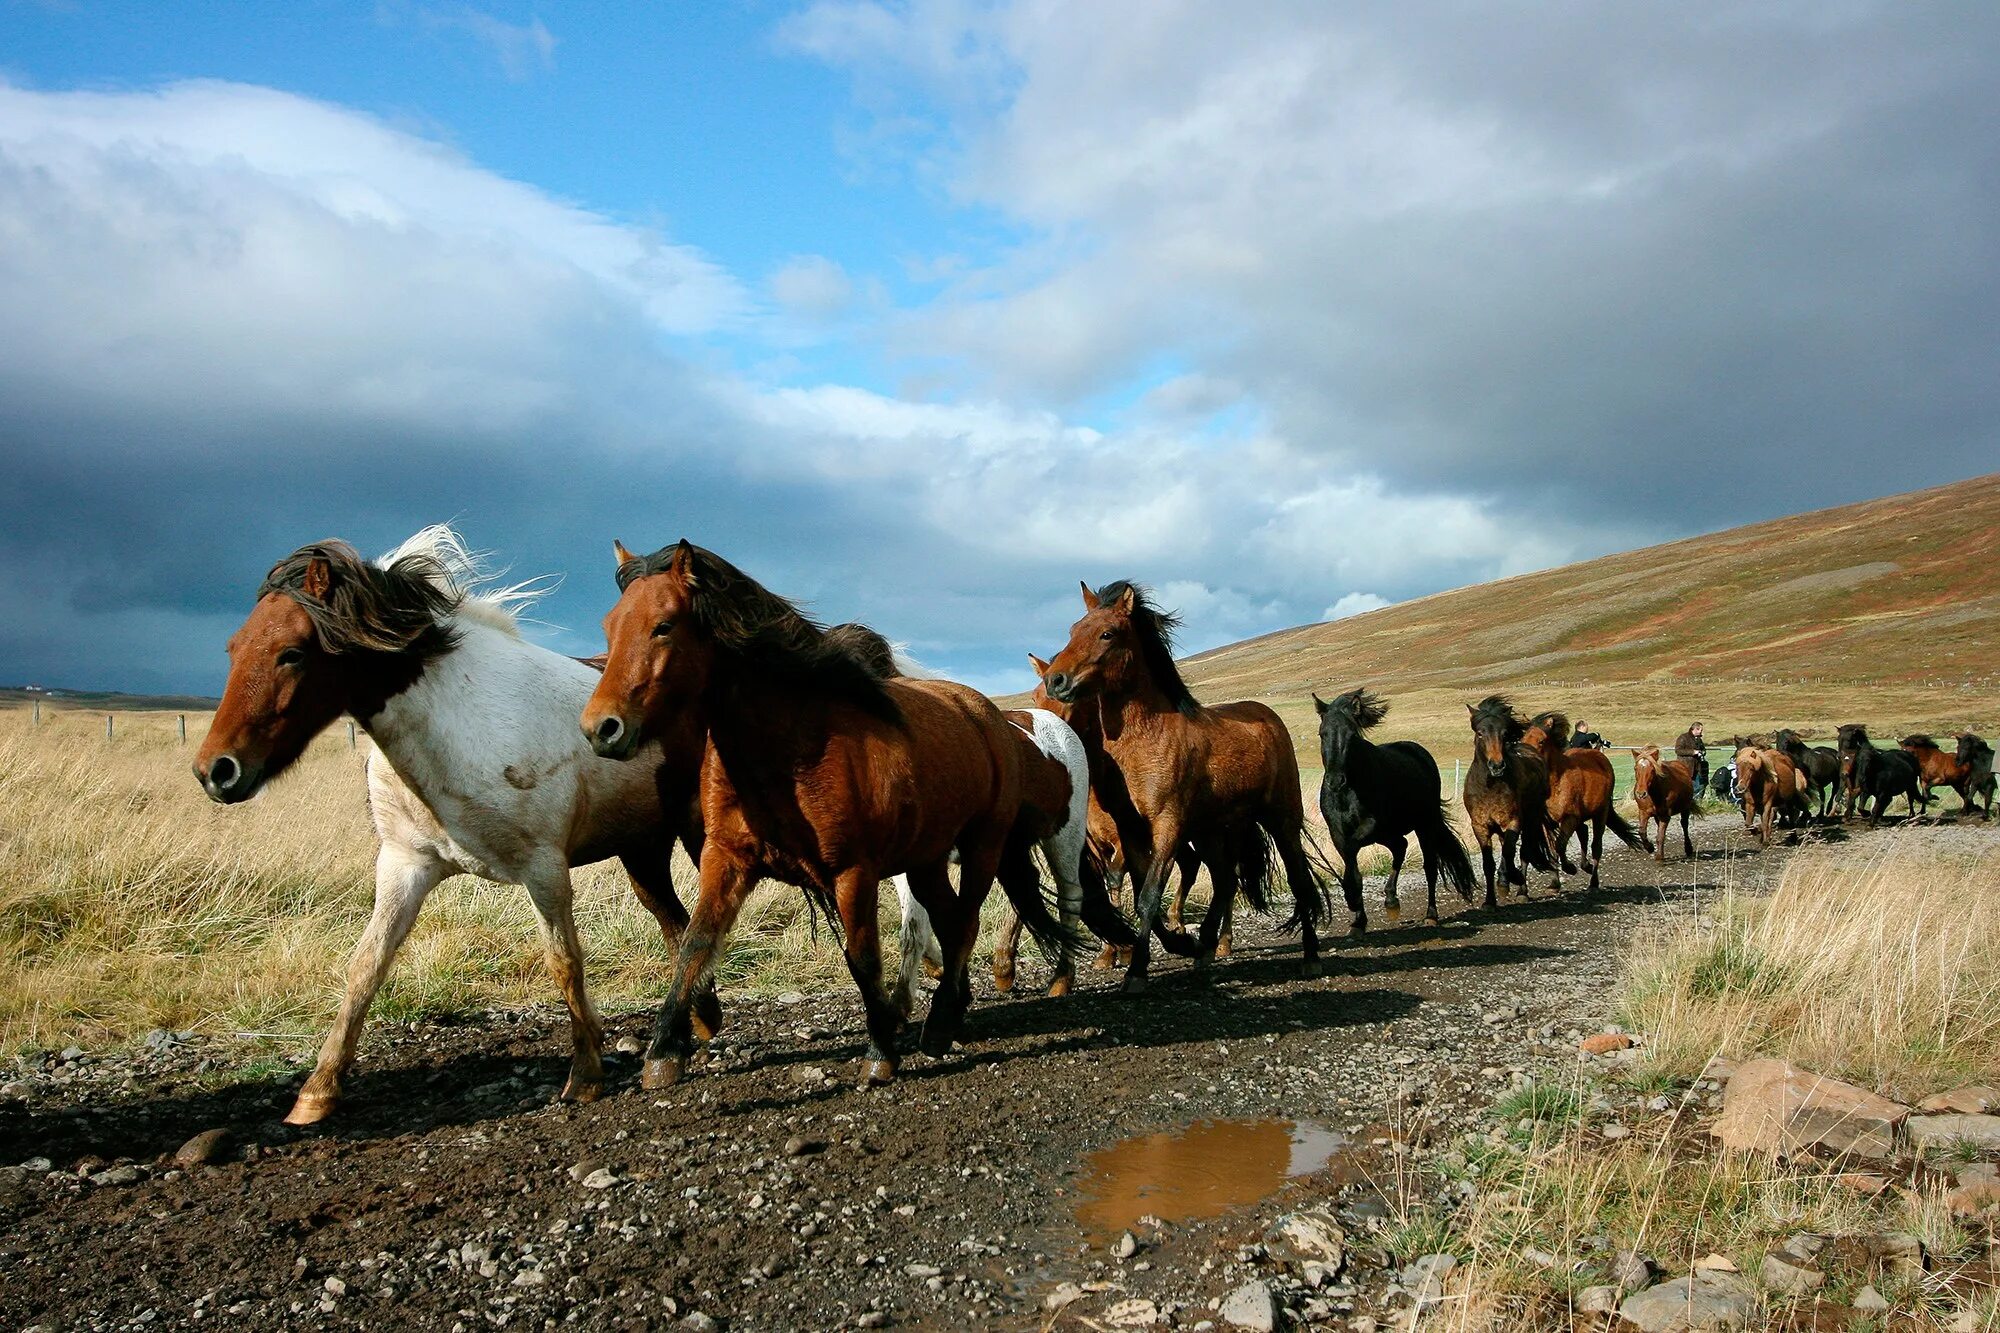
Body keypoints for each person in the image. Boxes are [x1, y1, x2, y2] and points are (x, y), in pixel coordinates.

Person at [1675, 721, 1710, 795]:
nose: (1701, 732)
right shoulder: (1683, 737)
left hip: (1697, 767)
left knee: (1699, 787)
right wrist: (1693, 752)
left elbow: (1703, 749)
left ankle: (1697, 803)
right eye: (1701, 730)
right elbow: (1678, 750)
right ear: (1695, 729)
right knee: (1689, 787)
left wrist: (1702, 752)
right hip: (1686, 767)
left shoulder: (1699, 739)